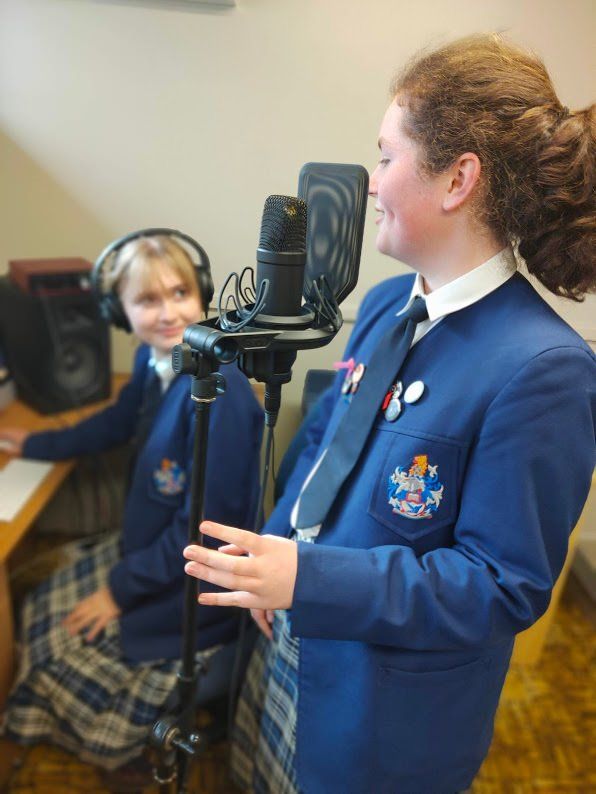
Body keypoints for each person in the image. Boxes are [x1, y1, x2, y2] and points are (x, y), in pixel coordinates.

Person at [182, 35, 596, 794]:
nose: (371, 184)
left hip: (377, 717)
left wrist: (311, 578)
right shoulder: (379, 307)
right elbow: (319, 449)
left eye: (385, 156)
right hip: (291, 640)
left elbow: (499, 584)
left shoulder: (546, 370)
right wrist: (278, 545)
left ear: (457, 179)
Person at [0, 234, 263, 773]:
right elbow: (116, 423)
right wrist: (34, 443)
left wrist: (117, 594)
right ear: (118, 312)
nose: (169, 313)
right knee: (37, 610)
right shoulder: (157, 360)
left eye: (180, 293)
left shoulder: (222, 397)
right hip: (154, 555)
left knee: (50, 656)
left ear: (202, 294)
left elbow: (204, 532)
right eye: (147, 300)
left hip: (194, 584)